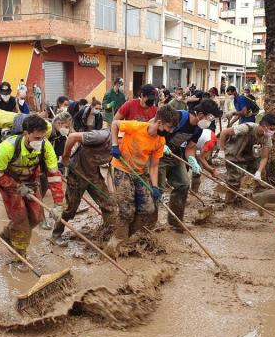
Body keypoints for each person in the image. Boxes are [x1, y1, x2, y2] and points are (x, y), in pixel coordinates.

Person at [0, 115, 64, 270]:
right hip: (10, 183)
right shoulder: (8, 147)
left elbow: (54, 174)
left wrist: (58, 203)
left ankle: (8, 234)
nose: (39, 141)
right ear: (26, 134)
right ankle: (20, 255)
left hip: (30, 181)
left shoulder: (45, 145)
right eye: (36, 137)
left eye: (42, 137)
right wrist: (17, 187)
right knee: (21, 220)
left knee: (37, 217)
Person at [106, 106, 178, 258]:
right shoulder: (136, 127)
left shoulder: (160, 140)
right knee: (127, 210)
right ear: (159, 122)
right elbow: (115, 124)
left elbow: (154, 166)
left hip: (138, 172)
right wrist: (114, 145)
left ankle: (131, 236)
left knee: (148, 208)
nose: (170, 131)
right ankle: (118, 239)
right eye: (169, 127)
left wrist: (155, 186)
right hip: (121, 168)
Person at [51, 104, 117, 247]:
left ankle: (108, 233)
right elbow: (73, 137)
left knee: (109, 204)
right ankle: (55, 234)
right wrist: (66, 157)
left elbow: (111, 172)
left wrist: (111, 192)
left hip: (93, 174)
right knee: (70, 209)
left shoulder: (121, 150)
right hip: (77, 172)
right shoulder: (101, 136)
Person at [159, 101, 221, 228]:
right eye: (210, 118)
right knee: (158, 189)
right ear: (200, 114)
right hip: (158, 153)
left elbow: (190, 147)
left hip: (175, 153)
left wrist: (192, 161)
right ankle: (149, 225)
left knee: (183, 184)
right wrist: (161, 145)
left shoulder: (198, 128)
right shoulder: (179, 117)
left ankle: (175, 223)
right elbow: (155, 127)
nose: (210, 122)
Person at [219, 114, 275, 204]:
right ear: (263, 126)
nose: (273, 132)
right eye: (272, 129)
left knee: (261, 175)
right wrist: (222, 150)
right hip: (234, 156)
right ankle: (228, 202)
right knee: (234, 181)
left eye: (274, 129)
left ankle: (259, 198)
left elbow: (265, 157)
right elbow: (224, 133)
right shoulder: (246, 128)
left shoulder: (267, 138)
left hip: (249, 157)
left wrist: (258, 172)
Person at [191, 125, 219, 193]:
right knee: (197, 170)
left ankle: (193, 191)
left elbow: (203, 159)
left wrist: (211, 170)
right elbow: (201, 158)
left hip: (192, 142)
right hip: (188, 145)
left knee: (199, 165)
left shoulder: (212, 135)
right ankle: (194, 192)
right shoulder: (210, 143)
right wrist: (212, 170)